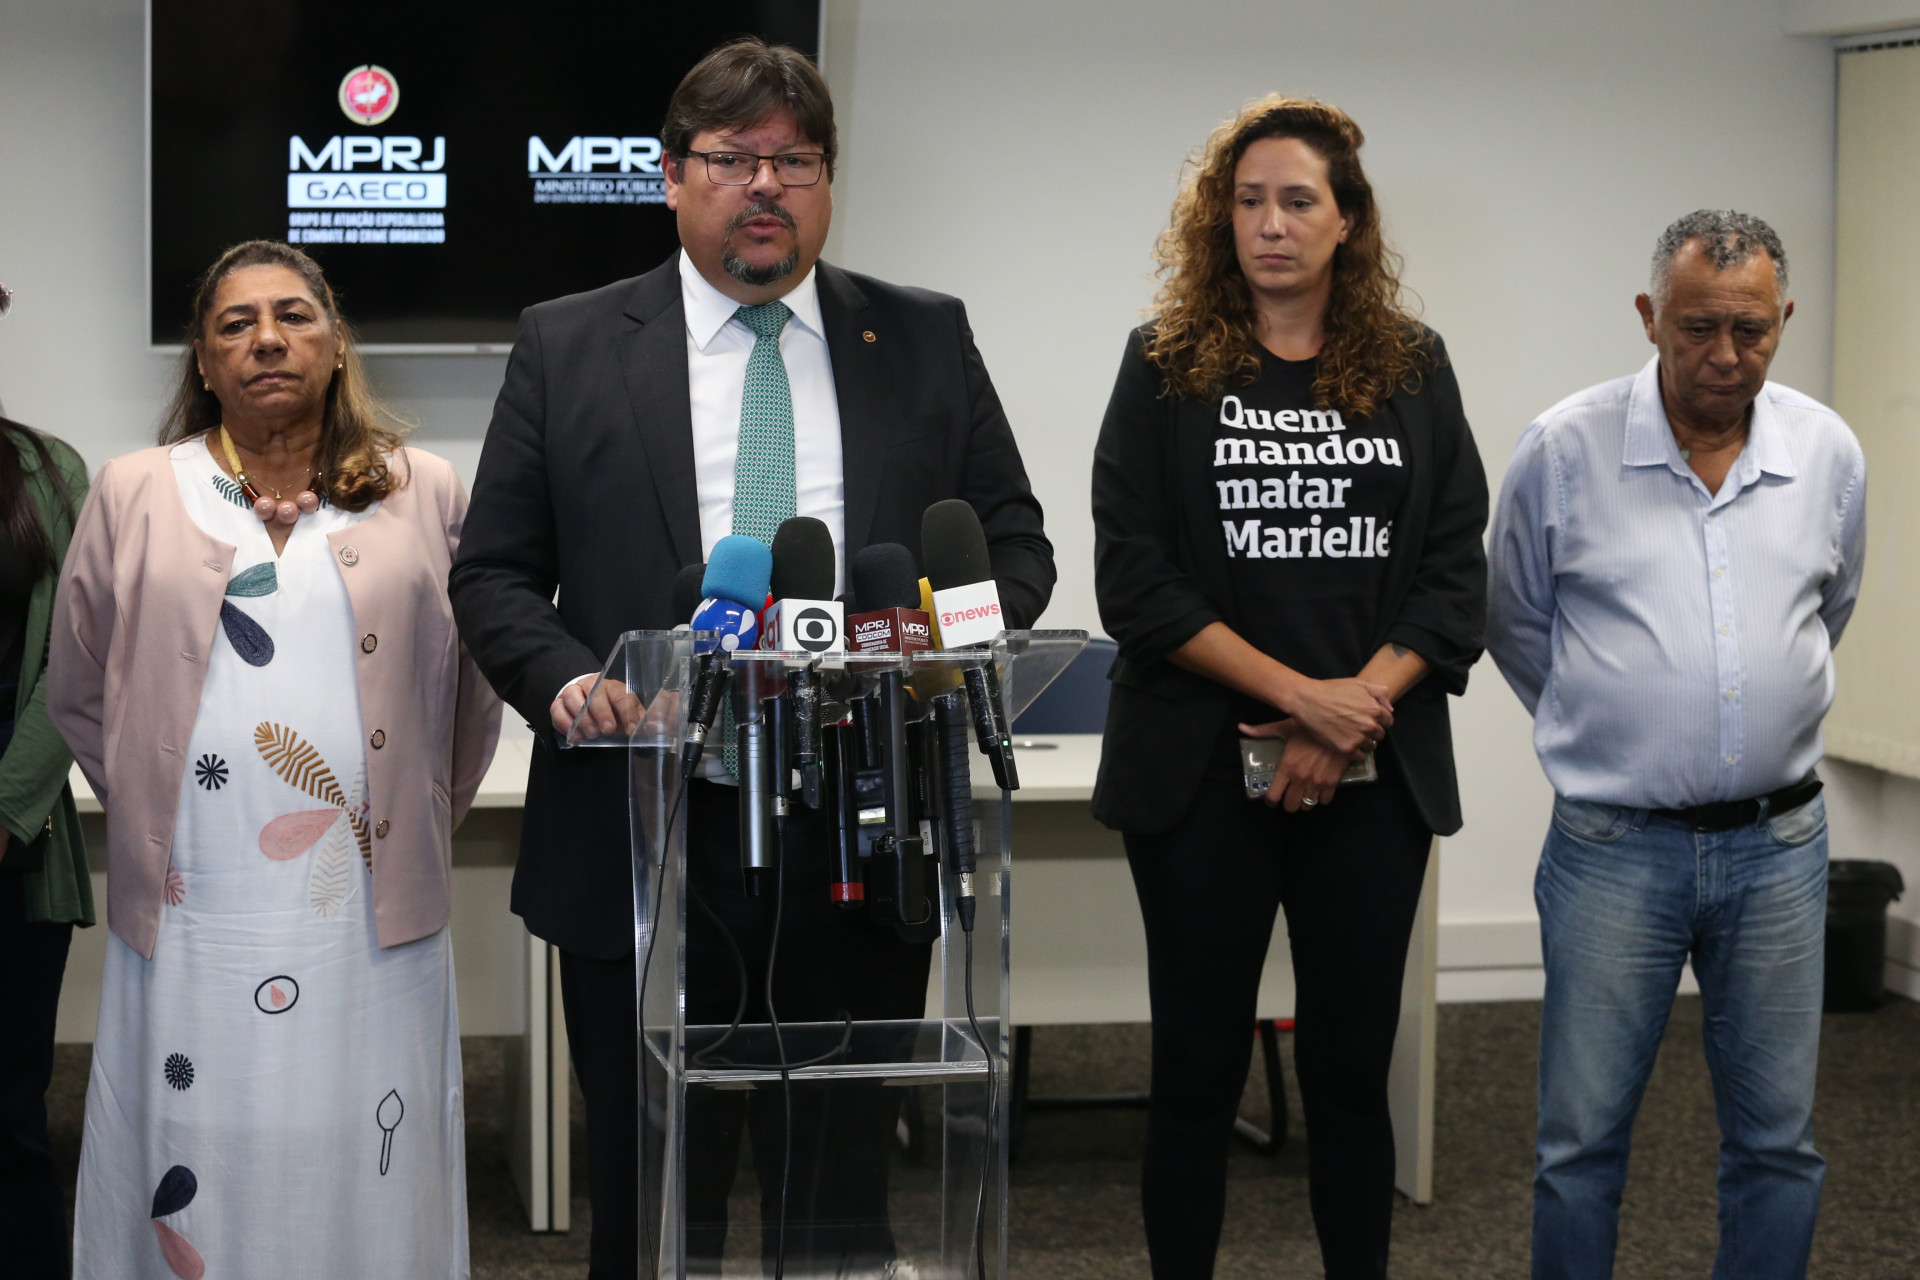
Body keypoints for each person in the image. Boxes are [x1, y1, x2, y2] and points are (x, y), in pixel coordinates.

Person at [449, 36, 1053, 1279]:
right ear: (673, 179)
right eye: (733, 159)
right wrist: (570, 682)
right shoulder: (568, 343)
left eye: (796, 159)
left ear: (829, 182)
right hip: (647, 823)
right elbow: (494, 571)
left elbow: (1012, 550)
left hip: (860, 821)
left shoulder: (924, 336)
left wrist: (934, 645)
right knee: (655, 1177)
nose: (765, 185)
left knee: (833, 1187)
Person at [48, 240, 500, 1280]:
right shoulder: (133, 490)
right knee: (195, 1122)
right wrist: (166, 811)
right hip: (194, 893)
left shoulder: (422, 489)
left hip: (365, 901)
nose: (267, 340)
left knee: (365, 1130)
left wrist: (416, 809)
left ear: (337, 344)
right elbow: (76, 683)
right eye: (235, 324)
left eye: (294, 316)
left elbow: (469, 688)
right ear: (202, 362)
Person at [1091, 96, 1488, 1280]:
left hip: (1373, 775)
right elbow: (1137, 579)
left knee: (1351, 1075)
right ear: (1220, 219)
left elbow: (1453, 571)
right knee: (1198, 1071)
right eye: (1249, 200)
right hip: (1201, 773)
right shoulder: (1162, 364)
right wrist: (1299, 698)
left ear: (1348, 220)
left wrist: (1350, 707)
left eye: (1299, 200)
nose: (1271, 224)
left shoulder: (1414, 368)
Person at [1486, 210, 1862, 1280]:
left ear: (1783, 318)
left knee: (1779, 1143)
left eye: (1753, 330)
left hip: (1780, 848)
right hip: (1615, 845)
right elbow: (1514, 622)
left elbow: (1827, 611)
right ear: (1650, 317)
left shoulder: (1827, 450)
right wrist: (1618, 722)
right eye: (1699, 326)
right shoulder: (1566, 448)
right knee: (1580, 1145)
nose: (1726, 356)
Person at [0, 413, 91, 1279]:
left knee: (10, 1119)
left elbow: (75, 657)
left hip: (12, 846)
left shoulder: (46, 470)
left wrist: (2, 809)